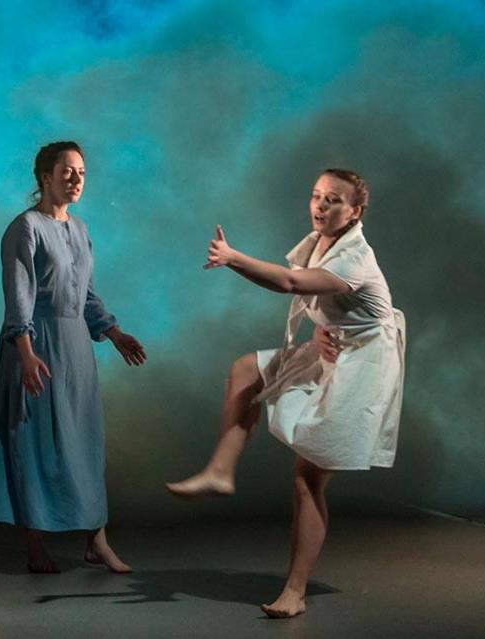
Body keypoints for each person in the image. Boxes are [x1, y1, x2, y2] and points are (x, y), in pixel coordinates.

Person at [166, 168, 405, 618]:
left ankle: (294, 592)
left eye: (333, 200)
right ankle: (220, 470)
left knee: (307, 476)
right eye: (316, 196)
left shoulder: (356, 257)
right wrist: (321, 331)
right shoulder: (319, 243)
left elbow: (293, 284)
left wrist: (232, 257)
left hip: (365, 365)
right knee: (245, 370)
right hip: (336, 347)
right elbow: (328, 304)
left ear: (355, 212)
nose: (320, 205)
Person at [0, 141, 146, 574]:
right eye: (67, 171)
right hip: (36, 345)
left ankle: (97, 541)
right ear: (45, 177)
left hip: (75, 346)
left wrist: (113, 333)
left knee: (84, 442)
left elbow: (85, 294)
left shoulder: (79, 229)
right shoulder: (25, 228)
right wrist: (25, 352)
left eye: (82, 172)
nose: (77, 179)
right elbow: (18, 294)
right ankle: (35, 544)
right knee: (34, 442)